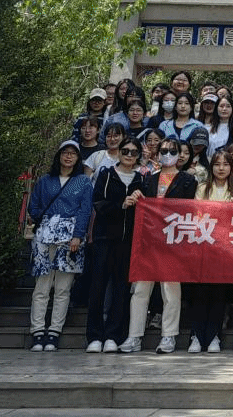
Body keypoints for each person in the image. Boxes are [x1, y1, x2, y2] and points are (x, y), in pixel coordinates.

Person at [119, 138, 198, 354]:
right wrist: (136, 197)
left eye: (172, 151)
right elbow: (141, 206)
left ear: (180, 154)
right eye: (163, 150)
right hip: (149, 241)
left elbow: (190, 210)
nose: (167, 154)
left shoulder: (188, 181)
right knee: (140, 290)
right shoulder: (148, 179)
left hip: (173, 242)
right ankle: (134, 336)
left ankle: (168, 336)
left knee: (171, 291)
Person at [27, 140, 93, 352]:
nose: (68, 156)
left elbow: (85, 210)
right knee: (42, 286)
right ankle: (37, 330)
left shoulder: (83, 182)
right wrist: (44, 218)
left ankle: (55, 330)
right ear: (59, 156)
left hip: (70, 237)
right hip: (44, 236)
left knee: (63, 288)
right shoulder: (45, 180)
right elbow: (33, 205)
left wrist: (78, 235)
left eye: (73, 153)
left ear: (78, 158)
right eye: (65, 152)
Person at [85, 137, 144, 353]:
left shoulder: (141, 179)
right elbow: (98, 203)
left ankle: (113, 335)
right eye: (125, 151)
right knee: (98, 286)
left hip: (128, 241)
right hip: (104, 238)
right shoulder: (106, 174)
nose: (129, 155)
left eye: (134, 152)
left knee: (121, 288)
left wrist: (140, 200)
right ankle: (94, 336)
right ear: (118, 152)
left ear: (138, 156)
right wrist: (121, 205)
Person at [187, 149, 233, 354]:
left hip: (225, 250)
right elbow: (197, 213)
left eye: (226, 164)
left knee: (219, 294)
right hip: (204, 247)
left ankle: (214, 337)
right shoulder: (202, 188)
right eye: (217, 164)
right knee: (200, 294)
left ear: (231, 168)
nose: (221, 168)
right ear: (211, 167)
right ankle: (196, 336)